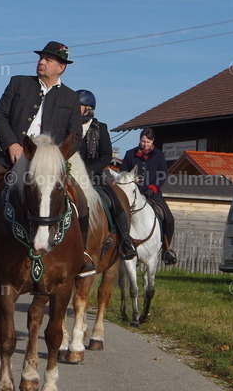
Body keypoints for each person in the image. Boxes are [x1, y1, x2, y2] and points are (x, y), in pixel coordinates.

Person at [0, 41, 82, 269]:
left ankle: (83, 256)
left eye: (48, 59)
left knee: (81, 200)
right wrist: (11, 145)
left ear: (61, 67)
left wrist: (54, 160)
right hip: (8, 158)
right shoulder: (18, 83)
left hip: (49, 166)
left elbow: (76, 135)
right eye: (41, 58)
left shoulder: (71, 98)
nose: (41, 62)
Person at [76, 89, 136, 260]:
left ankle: (125, 241)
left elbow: (107, 155)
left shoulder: (100, 128)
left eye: (78, 106)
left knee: (115, 201)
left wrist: (88, 171)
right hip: (71, 176)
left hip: (94, 176)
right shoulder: (68, 127)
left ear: (88, 109)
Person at [120, 128, 177, 265]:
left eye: (148, 142)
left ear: (152, 142)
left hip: (153, 194)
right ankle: (122, 246)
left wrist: (152, 189)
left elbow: (162, 175)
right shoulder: (130, 154)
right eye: (143, 141)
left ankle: (166, 250)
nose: (145, 144)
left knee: (169, 219)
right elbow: (123, 174)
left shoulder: (159, 155)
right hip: (132, 193)